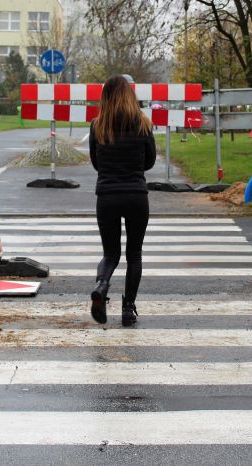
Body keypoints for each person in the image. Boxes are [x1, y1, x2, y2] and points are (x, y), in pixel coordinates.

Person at [88, 75, 156, 326]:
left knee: (110, 254)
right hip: (137, 195)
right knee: (134, 254)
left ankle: (101, 285)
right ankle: (128, 308)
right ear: (130, 95)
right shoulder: (143, 124)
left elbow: (96, 163)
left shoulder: (97, 126)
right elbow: (149, 161)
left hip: (107, 196)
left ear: (104, 97)